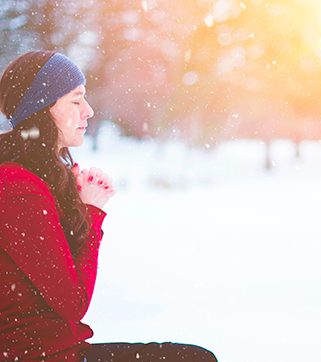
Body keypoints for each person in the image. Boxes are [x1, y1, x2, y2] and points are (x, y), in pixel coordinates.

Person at [0, 51, 217, 362]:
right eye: (75, 101)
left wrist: (72, 204)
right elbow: (73, 302)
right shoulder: (17, 187)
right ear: (42, 109)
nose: (88, 111)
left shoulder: (36, 179)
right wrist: (92, 212)